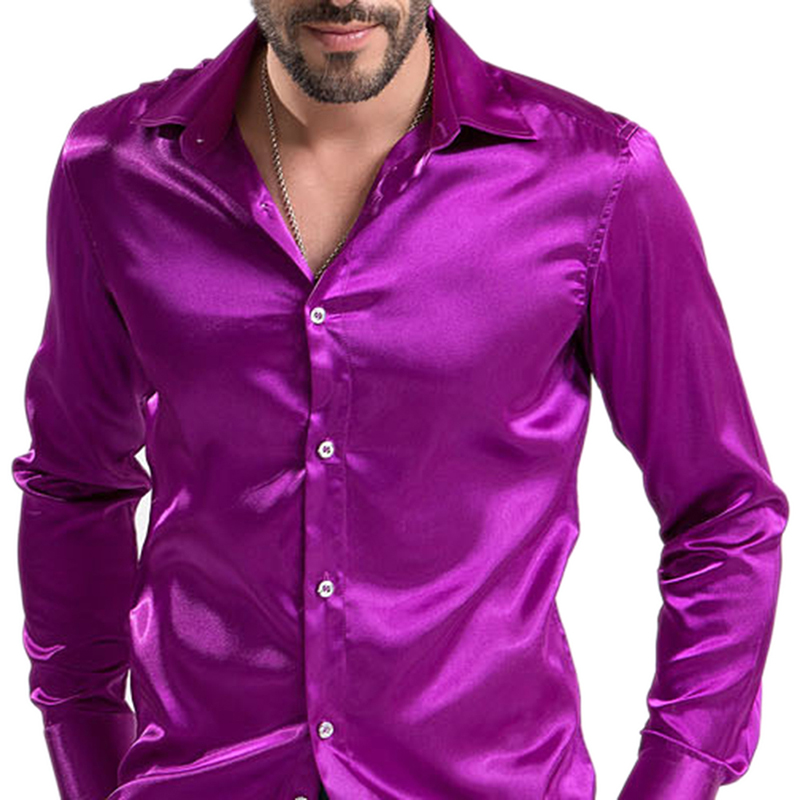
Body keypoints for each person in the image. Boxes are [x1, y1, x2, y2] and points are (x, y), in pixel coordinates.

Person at [11, 1, 789, 799]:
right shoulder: (114, 172)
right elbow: (76, 484)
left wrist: (676, 776)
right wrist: (88, 765)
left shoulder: (594, 179)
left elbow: (724, 513)